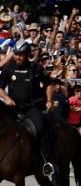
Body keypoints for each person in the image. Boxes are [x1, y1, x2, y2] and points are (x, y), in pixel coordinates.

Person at [0, 41, 59, 173]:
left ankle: (46, 161)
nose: (18, 57)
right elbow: (0, 88)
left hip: (31, 106)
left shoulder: (36, 68)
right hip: (13, 106)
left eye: (21, 55)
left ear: (27, 55)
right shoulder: (9, 69)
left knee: (40, 127)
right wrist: (7, 98)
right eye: (16, 54)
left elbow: (48, 84)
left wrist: (49, 99)